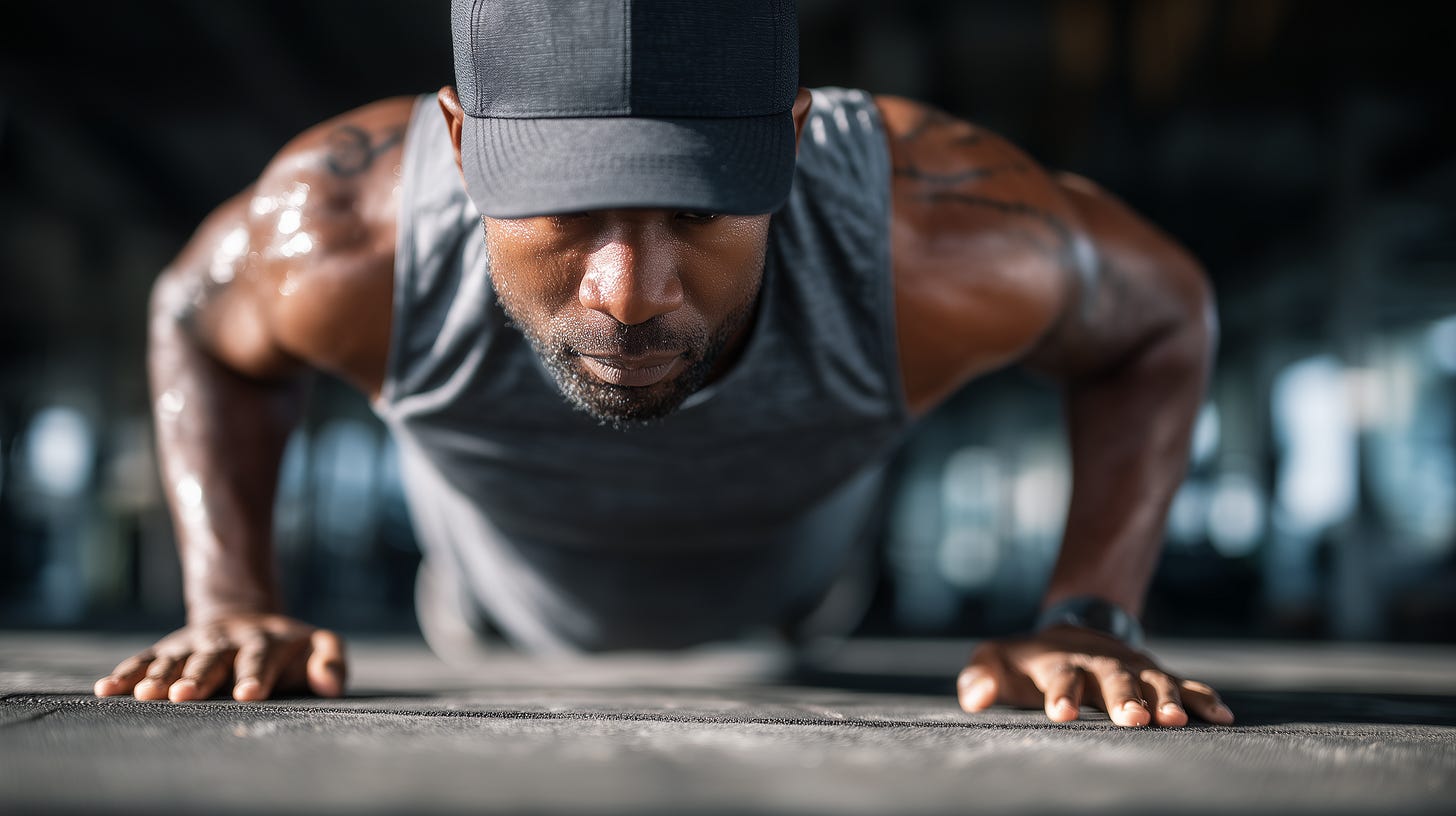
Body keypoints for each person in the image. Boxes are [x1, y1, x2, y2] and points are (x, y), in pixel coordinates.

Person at [94, 0, 1232, 728]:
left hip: (796, 615)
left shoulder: (936, 234)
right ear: (458, 142)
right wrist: (233, 603)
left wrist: (1091, 617)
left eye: (700, 209)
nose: (630, 295)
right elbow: (195, 318)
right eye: (563, 211)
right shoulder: (344, 234)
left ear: (786, 142)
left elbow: (1161, 316)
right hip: (489, 616)